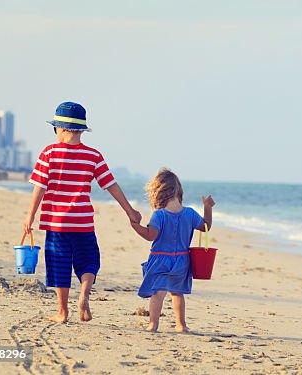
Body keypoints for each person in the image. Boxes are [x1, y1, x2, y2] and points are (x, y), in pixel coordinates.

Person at [23, 101, 142, 323]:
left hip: (56, 224)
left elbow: (39, 186)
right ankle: (84, 295)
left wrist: (30, 216)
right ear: (80, 129)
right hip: (83, 223)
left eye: (55, 127)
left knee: (59, 265)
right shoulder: (93, 156)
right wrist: (130, 211)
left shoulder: (49, 153)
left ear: (63, 128)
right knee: (88, 261)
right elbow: (111, 185)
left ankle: (62, 311)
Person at [129, 168, 214, 332]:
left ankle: (153, 324)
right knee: (177, 293)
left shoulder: (159, 215)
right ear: (178, 192)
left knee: (158, 293)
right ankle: (181, 325)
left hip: (161, 260)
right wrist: (207, 207)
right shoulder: (189, 213)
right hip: (182, 260)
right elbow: (206, 227)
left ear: (158, 193)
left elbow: (150, 236)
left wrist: (135, 227)